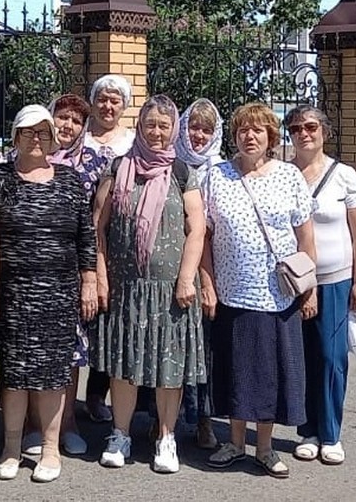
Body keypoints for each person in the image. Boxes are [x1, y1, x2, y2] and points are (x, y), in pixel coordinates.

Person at [90, 95, 206, 474]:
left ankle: (166, 438)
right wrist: (101, 276)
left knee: (168, 368)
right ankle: (120, 434)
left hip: (171, 290)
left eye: (164, 125)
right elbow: (99, 229)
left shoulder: (182, 173)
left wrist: (188, 277)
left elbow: (196, 228)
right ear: (139, 127)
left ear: (174, 130)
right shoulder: (119, 167)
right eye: (150, 124)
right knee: (124, 364)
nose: (157, 132)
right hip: (127, 289)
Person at [0, 105, 97, 483]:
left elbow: (85, 236)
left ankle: (50, 449)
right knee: (14, 376)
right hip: (11, 293)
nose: (36, 139)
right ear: (14, 138)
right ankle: (11, 448)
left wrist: (90, 280)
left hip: (59, 293)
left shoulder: (69, 180)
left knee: (51, 374)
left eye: (43, 134)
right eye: (29, 133)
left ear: (52, 140)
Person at [201, 102, 316, 479]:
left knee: (270, 374)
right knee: (236, 369)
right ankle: (234, 442)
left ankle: (264, 448)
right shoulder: (216, 176)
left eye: (257, 131)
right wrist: (207, 281)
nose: (249, 136)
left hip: (278, 295)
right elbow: (203, 234)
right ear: (233, 136)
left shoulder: (288, 176)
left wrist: (309, 289)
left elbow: (305, 235)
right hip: (232, 292)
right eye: (242, 130)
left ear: (270, 138)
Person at [286, 105, 356, 467]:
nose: (304, 134)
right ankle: (308, 431)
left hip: (336, 279)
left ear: (325, 132)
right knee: (301, 357)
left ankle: (331, 433)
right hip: (293, 282)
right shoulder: (284, 175)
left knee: (331, 357)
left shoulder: (345, 175)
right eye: (295, 128)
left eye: (310, 127)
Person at [174, 98, 226, 450]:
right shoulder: (169, 163)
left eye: (207, 130)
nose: (199, 135)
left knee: (204, 349)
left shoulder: (219, 170)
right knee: (170, 344)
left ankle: (204, 421)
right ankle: (162, 421)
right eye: (194, 127)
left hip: (208, 266)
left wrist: (207, 279)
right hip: (168, 265)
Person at [83, 75, 136, 422]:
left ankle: (100, 393)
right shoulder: (79, 139)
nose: (108, 106)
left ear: (124, 106)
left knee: (111, 317)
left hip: (120, 242)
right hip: (82, 234)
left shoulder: (132, 142)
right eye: (102, 99)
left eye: (115, 100)